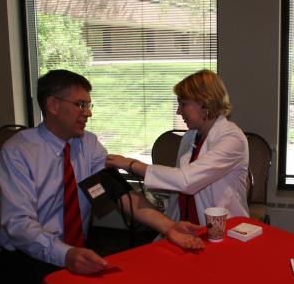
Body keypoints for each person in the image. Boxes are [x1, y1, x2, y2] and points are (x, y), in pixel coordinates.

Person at [0, 69, 204, 284]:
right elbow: (19, 224)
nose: (88, 113)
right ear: (53, 105)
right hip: (27, 261)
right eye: (80, 104)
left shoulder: (87, 145)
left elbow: (119, 194)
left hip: (75, 253)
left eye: (89, 105)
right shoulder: (19, 151)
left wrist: (168, 226)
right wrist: (65, 254)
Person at [106, 69, 249, 225]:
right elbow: (178, 185)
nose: (178, 111)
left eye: (183, 104)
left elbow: (186, 181)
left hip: (224, 229)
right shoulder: (191, 136)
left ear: (204, 103)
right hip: (188, 225)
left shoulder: (232, 138)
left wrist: (132, 164)